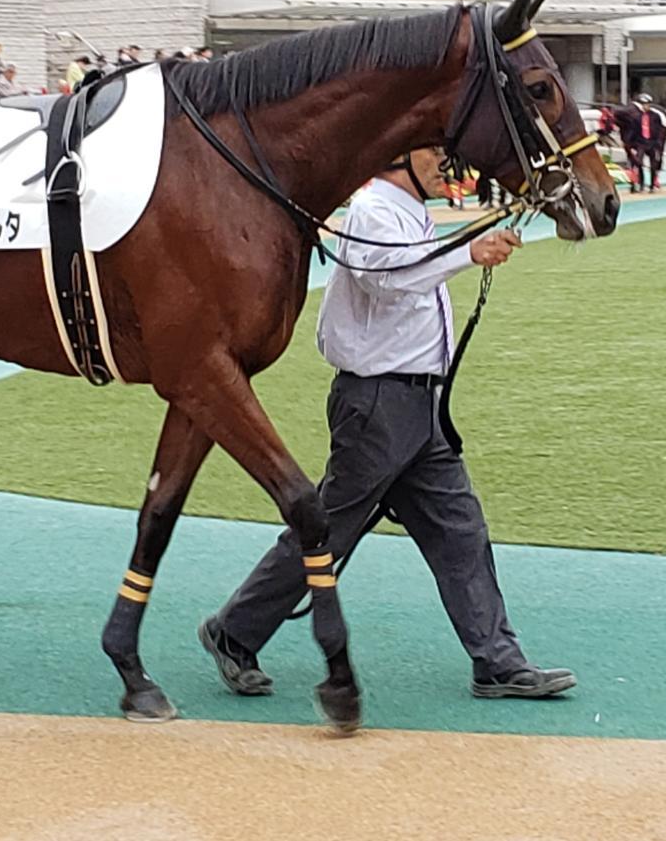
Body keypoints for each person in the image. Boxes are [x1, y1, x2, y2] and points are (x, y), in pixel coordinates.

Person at [199, 148, 575, 701]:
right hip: (377, 404)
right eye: (433, 150)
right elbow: (386, 279)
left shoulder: (405, 211)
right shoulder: (373, 209)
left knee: (460, 531)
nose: (445, 162)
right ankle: (233, 631)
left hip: (417, 406)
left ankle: (498, 661)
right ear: (400, 157)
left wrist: (468, 250)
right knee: (327, 530)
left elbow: (411, 274)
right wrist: (468, 253)